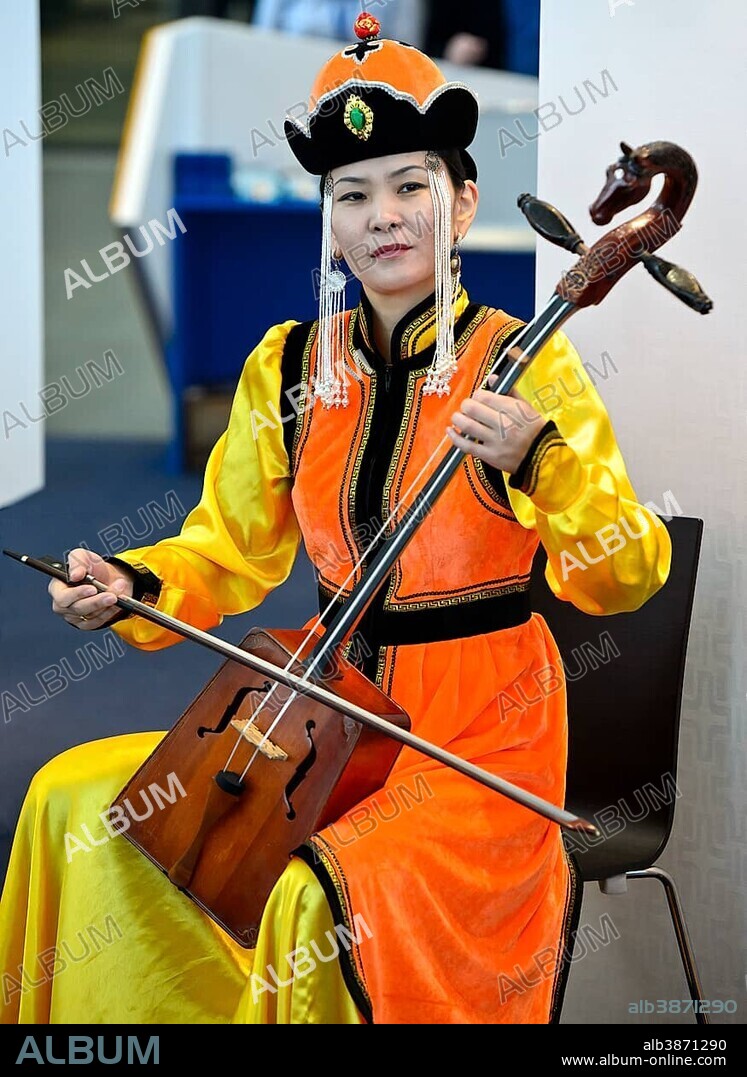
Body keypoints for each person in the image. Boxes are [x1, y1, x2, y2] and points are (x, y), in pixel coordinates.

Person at [0, 13, 670, 1025]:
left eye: (412, 186)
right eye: (352, 195)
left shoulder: (527, 361)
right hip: (313, 724)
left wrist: (541, 459)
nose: (382, 216)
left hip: (477, 743)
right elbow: (226, 550)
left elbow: (627, 574)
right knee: (71, 803)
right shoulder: (289, 365)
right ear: (329, 218)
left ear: (465, 202)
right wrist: (134, 584)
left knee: (319, 891)